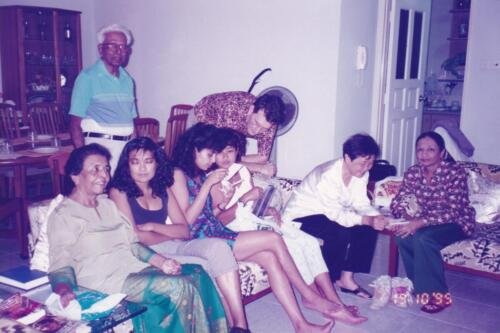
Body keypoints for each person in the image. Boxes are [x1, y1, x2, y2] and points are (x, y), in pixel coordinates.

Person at [170, 123, 343, 333]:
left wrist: (222, 202)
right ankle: (309, 296)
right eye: (209, 154)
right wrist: (207, 188)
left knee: (270, 258)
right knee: (273, 239)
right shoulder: (178, 174)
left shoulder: (199, 173)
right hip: (200, 238)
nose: (212, 159)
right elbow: (186, 223)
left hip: (215, 230)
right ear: (193, 149)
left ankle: (301, 325)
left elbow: (211, 213)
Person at [47, 143, 227, 333]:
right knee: (178, 286)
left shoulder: (106, 204)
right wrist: (64, 289)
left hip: (133, 268)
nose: (104, 176)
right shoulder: (64, 214)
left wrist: (161, 261)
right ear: (75, 176)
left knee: (197, 273)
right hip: (102, 280)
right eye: (95, 170)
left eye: (106, 169)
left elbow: (132, 242)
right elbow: (60, 261)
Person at [210, 127, 367, 325]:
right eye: (220, 151)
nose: (225, 156)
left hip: (252, 220)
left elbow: (250, 207)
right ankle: (314, 299)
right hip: (233, 230)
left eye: (230, 150)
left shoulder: (241, 171)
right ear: (212, 153)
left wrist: (267, 210)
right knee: (290, 243)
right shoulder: (213, 181)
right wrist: (242, 200)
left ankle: (334, 300)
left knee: (307, 241)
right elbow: (216, 222)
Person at [109, 137, 250, 332]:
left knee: (219, 246)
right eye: (135, 162)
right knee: (203, 265)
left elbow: (184, 229)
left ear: (157, 163)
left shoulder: (162, 188)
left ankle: (241, 326)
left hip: (174, 244)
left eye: (148, 161)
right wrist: (166, 232)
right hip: (146, 254)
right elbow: (136, 238)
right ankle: (223, 327)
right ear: (127, 164)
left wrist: (152, 226)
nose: (142, 168)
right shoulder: (119, 191)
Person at [282, 134, 388, 300]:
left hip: (326, 214)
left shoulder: (361, 173)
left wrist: (376, 216)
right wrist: (366, 219)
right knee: (339, 232)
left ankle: (346, 278)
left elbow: (361, 203)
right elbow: (337, 215)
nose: (366, 168)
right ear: (347, 157)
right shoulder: (328, 177)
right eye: (362, 163)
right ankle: (326, 282)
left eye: (370, 163)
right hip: (300, 217)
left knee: (367, 229)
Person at [389, 131, 475, 314]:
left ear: (442, 153)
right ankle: (419, 287)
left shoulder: (455, 172)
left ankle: (438, 296)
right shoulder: (412, 172)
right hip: (425, 221)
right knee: (402, 237)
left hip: (457, 222)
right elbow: (397, 201)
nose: (424, 154)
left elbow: (454, 210)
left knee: (423, 238)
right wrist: (404, 213)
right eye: (420, 150)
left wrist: (420, 222)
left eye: (430, 150)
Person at [69, 24, 137, 173]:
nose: (118, 51)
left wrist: (134, 153)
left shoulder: (128, 80)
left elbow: (131, 122)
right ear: (101, 49)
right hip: (99, 149)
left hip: (124, 150)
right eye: (113, 46)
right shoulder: (87, 77)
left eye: (122, 47)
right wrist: (84, 160)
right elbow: (75, 124)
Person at [194, 91, 287, 176]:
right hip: (202, 116)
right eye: (256, 123)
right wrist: (259, 168)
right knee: (203, 161)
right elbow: (221, 159)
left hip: (232, 125)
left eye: (263, 128)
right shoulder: (232, 109)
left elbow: (263, 157)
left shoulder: (270, 122)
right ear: (251, 110)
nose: (257, 131)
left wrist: (240, 159)